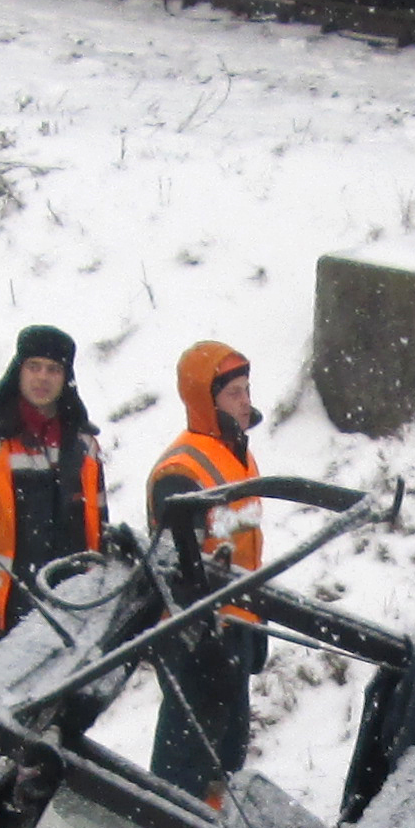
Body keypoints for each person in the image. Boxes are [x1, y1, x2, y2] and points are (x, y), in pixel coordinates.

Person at [0, 324, 102, 672]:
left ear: (66, 378)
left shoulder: (84, 448)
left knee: (59, 725)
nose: (43, 377)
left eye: (54, 369)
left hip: (66, 620)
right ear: (18, 370)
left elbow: (97, 532)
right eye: (34, 366)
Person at [143, 338, 267, 804]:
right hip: (195, 635)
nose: (245, 402)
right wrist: (203, 638)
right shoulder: (182, 469)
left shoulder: (238, 454)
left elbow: (244, 545)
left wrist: (255, 620)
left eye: (246, 390)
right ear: (204, 400)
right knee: (187, 757)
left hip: (234, 622)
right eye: (233, 393)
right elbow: (179, 568)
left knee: (227, 752)